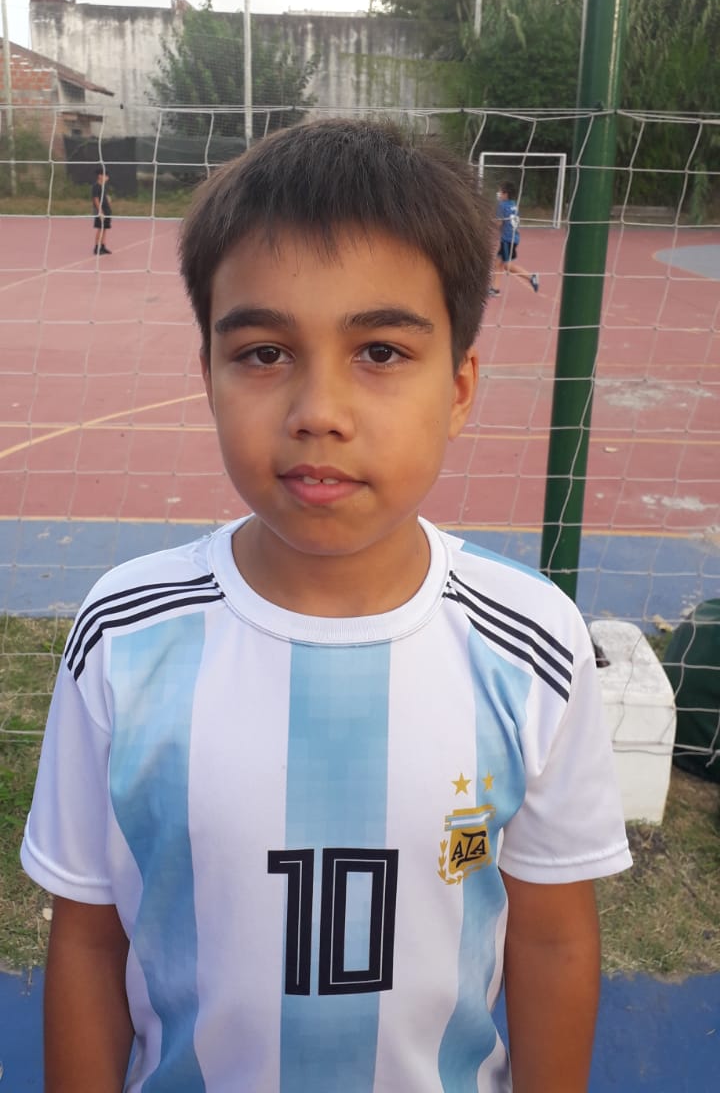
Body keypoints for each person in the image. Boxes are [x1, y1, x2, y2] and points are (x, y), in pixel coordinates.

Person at [22, 120, 631, 1093]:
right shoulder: (123, 635)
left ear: (460, 388)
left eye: (380, 350)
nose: (319, 410)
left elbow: (552, 938)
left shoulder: (532, 645)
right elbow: (91, 939)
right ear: (208, 376)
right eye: (265, 352)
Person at [490, 180, 538, 295]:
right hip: (513, 237)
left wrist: (489, 223)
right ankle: (495, 289)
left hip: (507, 239)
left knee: (507, 265)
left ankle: (531, 277)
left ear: (505, 194)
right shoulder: (514, 205)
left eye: (500, 192)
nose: (498, 194)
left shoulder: (502, 205)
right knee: (498, 263)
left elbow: (499, 223)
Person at [92, 165, 112, 254]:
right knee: (100, 228)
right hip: (101, 211)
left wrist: (108, 201)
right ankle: (96, 248)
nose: (107, 177)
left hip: (107, 210)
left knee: (104, 229)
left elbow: (105, 197)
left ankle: (103, 246)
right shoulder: (96, 186)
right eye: (105, 175)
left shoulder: (103, 186)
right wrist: (100, 211)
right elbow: (95, 199)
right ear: (100, 176)